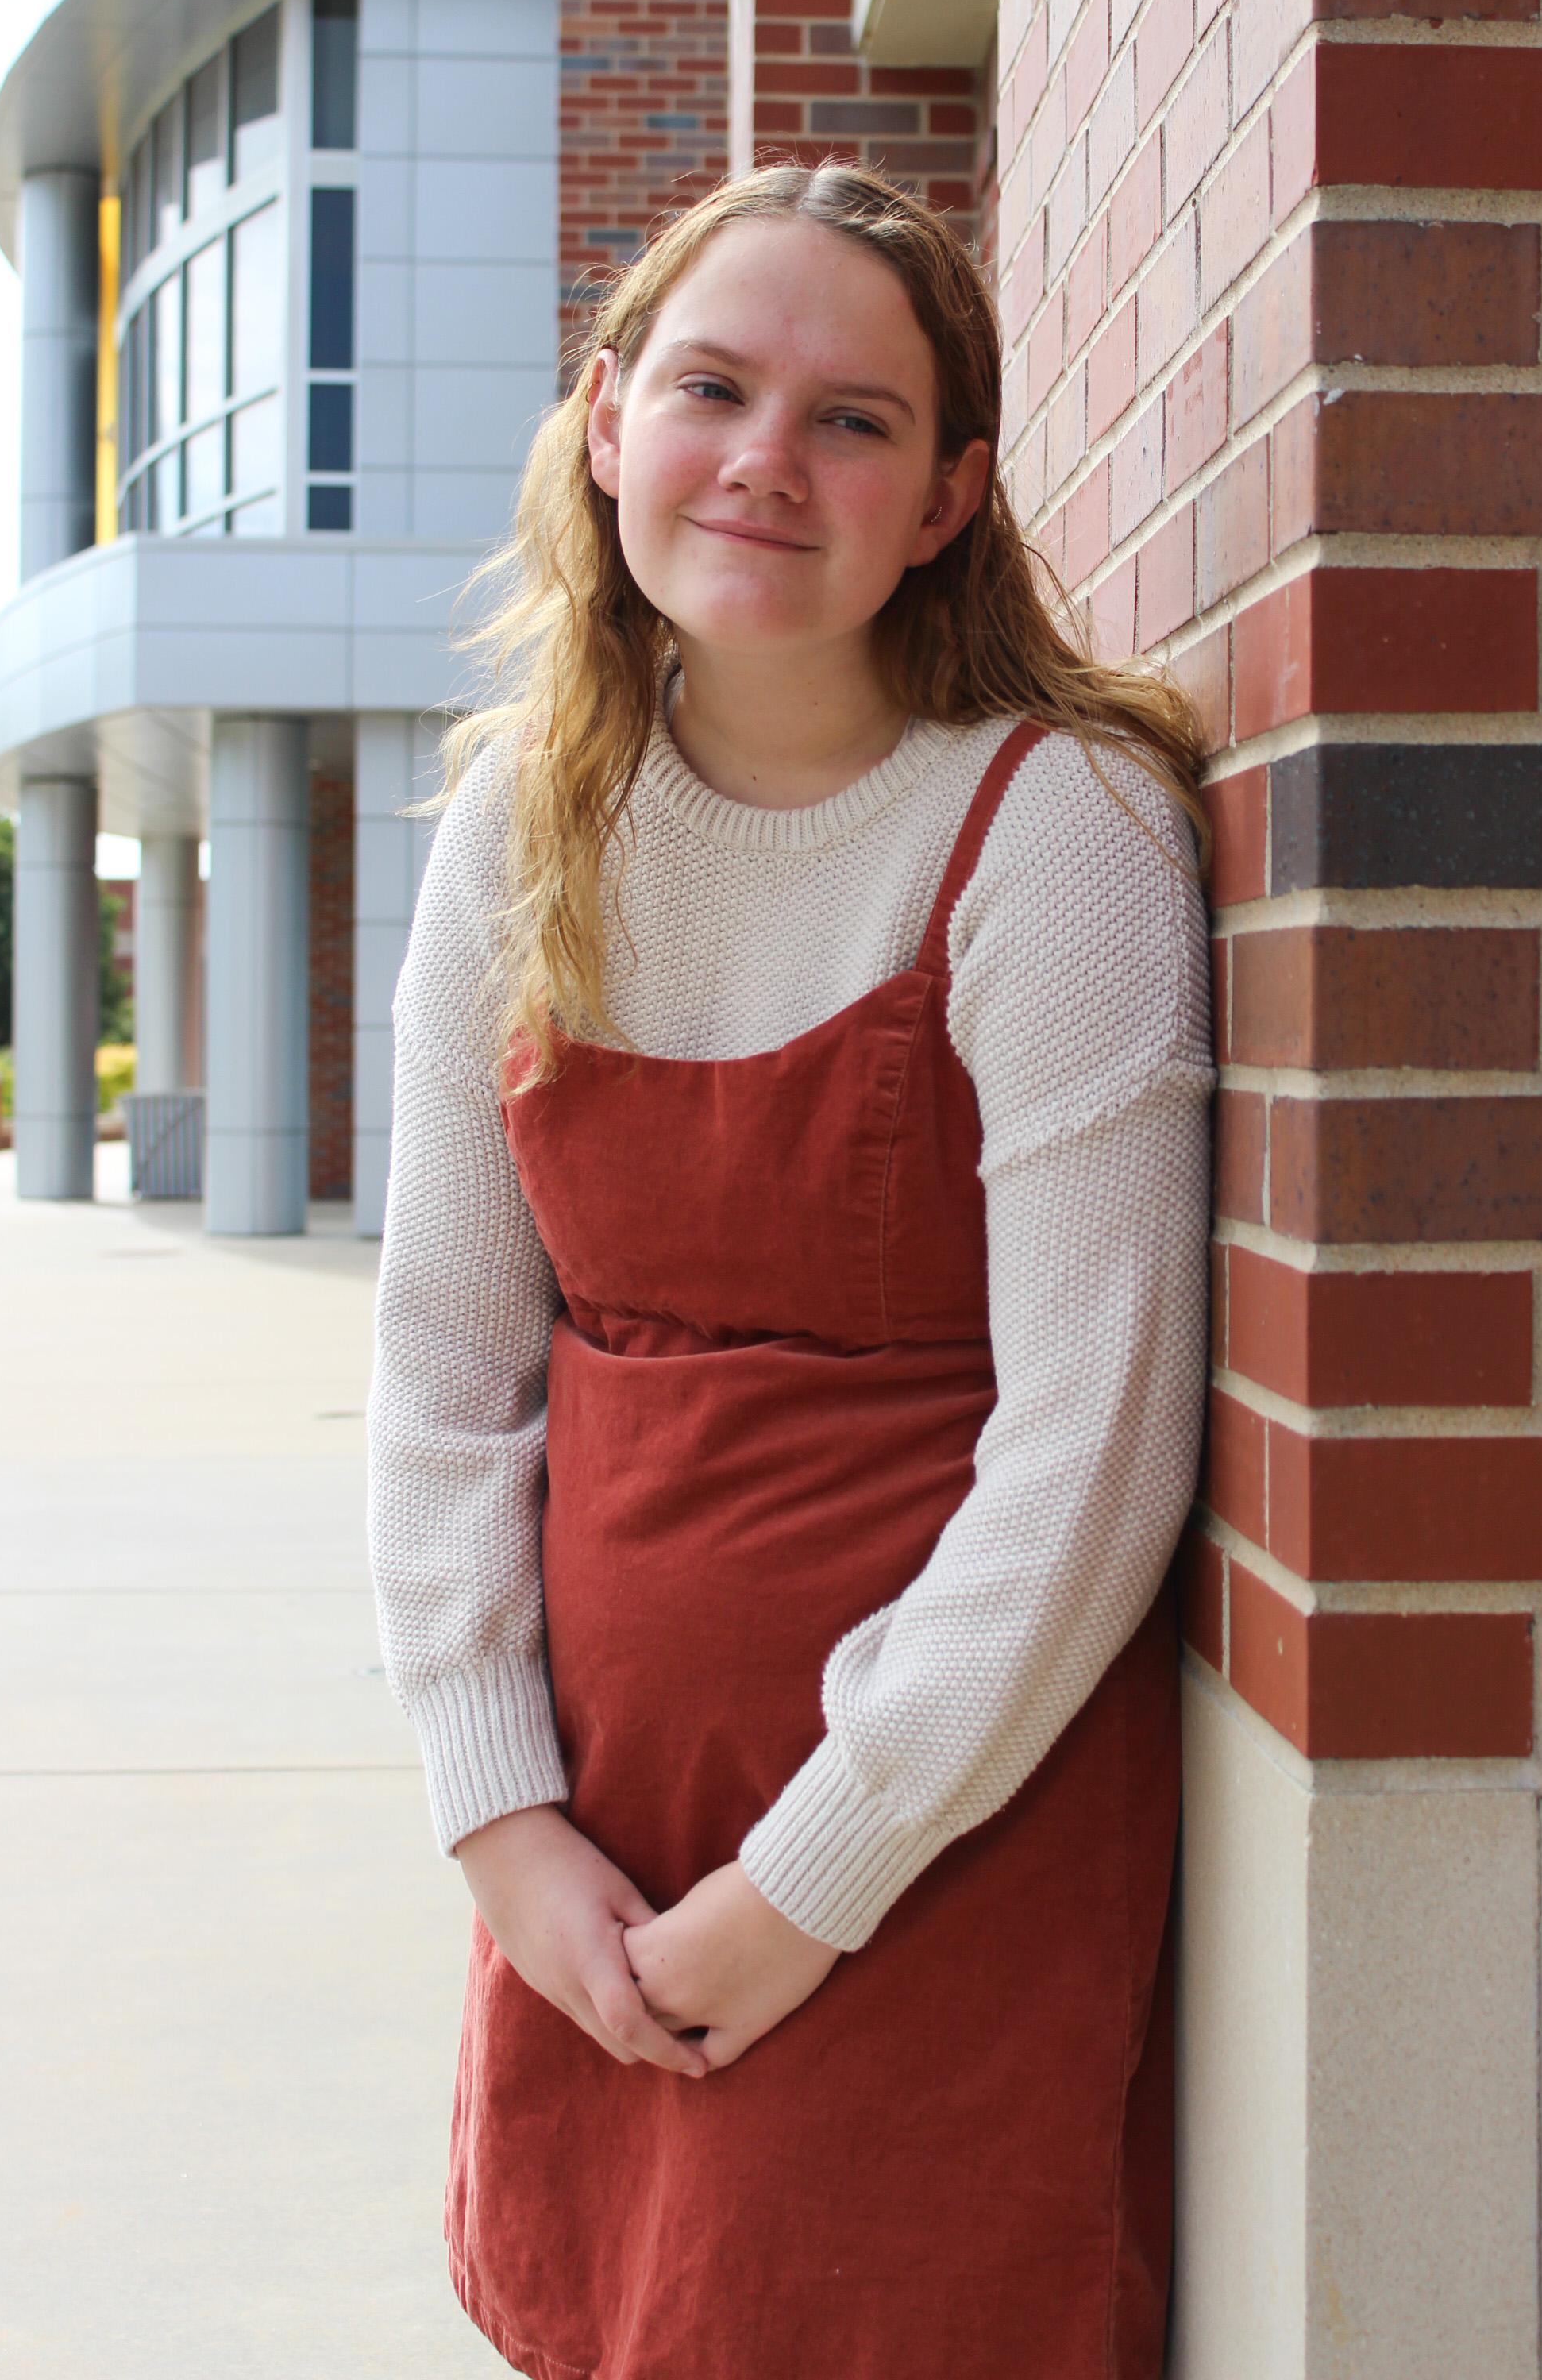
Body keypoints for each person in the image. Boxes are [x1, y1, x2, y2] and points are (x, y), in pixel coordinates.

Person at [368, 160, 1213, 2380]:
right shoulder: (512, 833)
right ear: (607, 418)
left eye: (853, 419)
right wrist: (501, 1821)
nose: (765, 458)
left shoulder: (1057, 829)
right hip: (604, 1848)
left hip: (936, 1841)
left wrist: (812, 1880)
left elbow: (1097, 1454)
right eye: (716, 388)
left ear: (945, 501)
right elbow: (449, 1369)